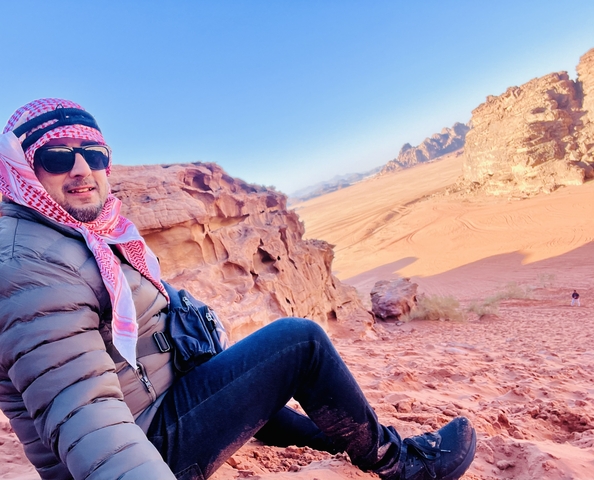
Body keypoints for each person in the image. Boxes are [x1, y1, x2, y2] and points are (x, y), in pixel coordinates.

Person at [0, 98, 476, 480]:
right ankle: (402, 465)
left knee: (238, 366)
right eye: (57, 157)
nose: (82, 168)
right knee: (298, 342)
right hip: (141, 446)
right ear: (23, 168)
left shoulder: (79, 232)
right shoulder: (29, 267)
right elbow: (84, 416)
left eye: (95, 154)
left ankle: (340, 439)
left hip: (155, 412)